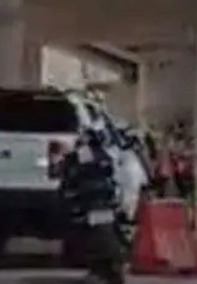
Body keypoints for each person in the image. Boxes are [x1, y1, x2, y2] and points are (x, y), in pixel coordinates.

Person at [58, 120, 143, 284]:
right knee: (98, 235)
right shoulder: (107, 153)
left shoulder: (97, 154)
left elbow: (79, 172)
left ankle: (105, 268)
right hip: (100, 200)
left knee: (101, 236)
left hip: (100, 200)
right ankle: (105, 268)